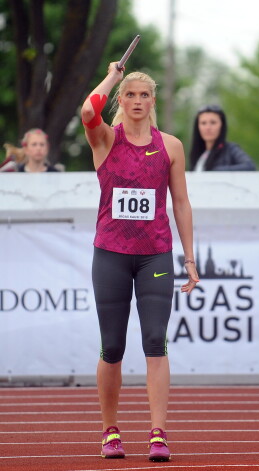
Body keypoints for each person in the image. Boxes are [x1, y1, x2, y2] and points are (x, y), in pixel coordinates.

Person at [81, 62, 199, 462]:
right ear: (120, 99)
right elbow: (85, 112)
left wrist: (190, 257)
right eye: (129, 94)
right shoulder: (105, 140)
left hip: (155, 255)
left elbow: (180, 202)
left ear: (152, 102)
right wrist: (114, 74)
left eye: (144, 95)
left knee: (155, 341)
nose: (136, 100)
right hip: (111, 253)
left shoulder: (171, 146)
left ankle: (158, 434)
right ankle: (109, 431)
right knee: (112, 346)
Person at [189, 105, 256, 171]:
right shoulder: (198, 153)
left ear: (222, 125)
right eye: (203, 123)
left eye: (213, 122)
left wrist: (217, 171)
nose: (208, 127)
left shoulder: (230, 149)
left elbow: (249, 166)